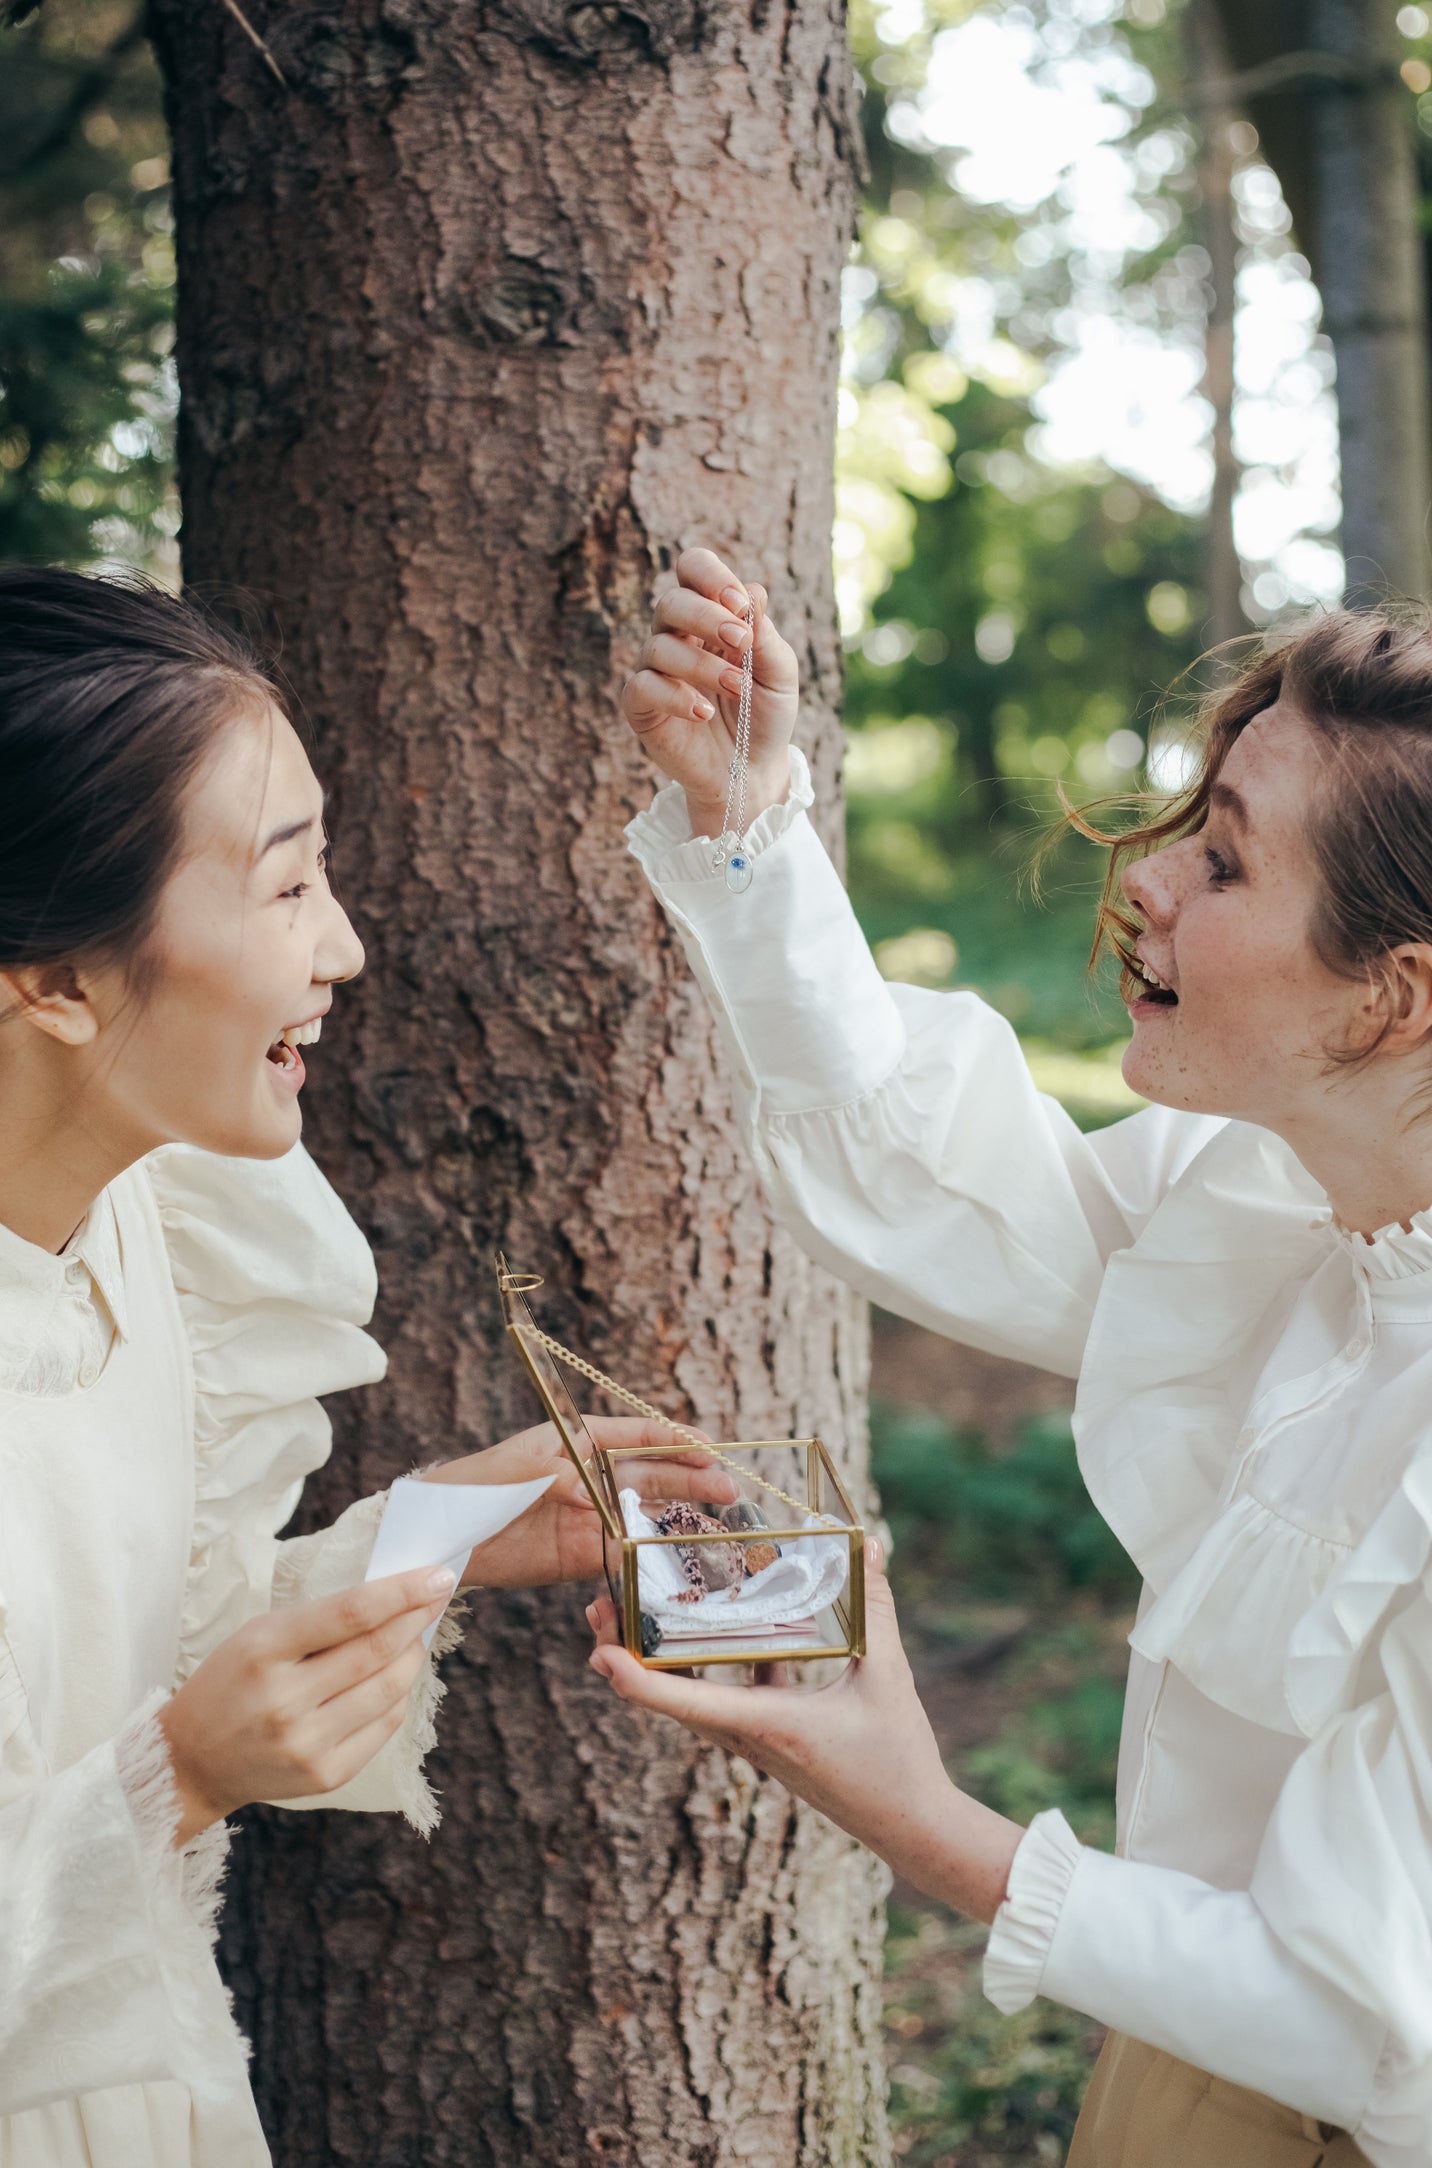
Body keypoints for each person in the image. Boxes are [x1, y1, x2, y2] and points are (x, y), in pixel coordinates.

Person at [593, 546, 1432, 2168]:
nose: (1147, 884)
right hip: (1184, 2062)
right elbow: (953, 1195)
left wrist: (920, 1816)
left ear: (1394, 997)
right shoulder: (1272, 1193)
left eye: (1226, 866)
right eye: (1188, 833)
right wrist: (752, 813)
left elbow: (1376, 2026)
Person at [0, 565, 732, 2167]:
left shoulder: (159, 1226)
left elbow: (123, 1665)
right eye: (281, 890)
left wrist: (429, 1535)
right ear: (50, 979)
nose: (341, 945)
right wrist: (181, 1777)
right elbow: (144, 1745)